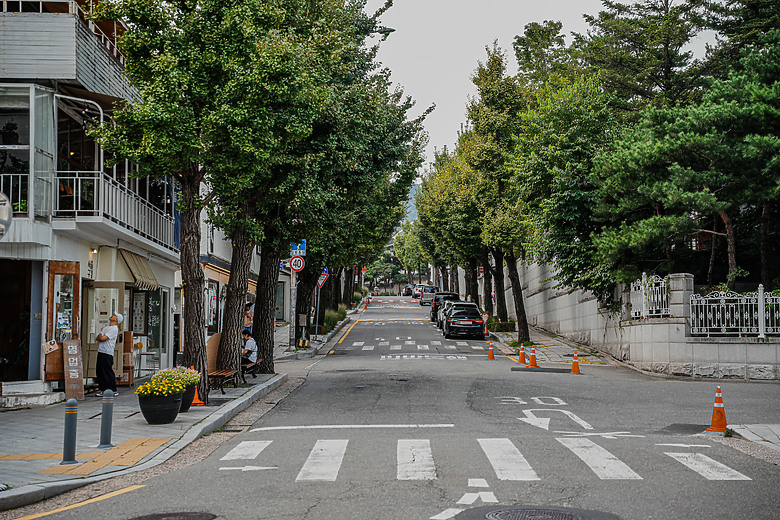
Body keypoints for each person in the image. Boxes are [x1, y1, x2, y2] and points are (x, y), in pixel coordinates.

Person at [95, 312, 122, 397]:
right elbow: (97, 338)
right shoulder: (107, 327)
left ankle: (113, 390)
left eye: (114, 315)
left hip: (107, 352)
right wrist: (100, 336)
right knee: (100, 371)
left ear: (116, 319)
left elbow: (102, 338)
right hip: (101, 350)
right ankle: (103, 389)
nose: (112, 315)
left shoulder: (114, 328)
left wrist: (100, 336)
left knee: (107, 371)